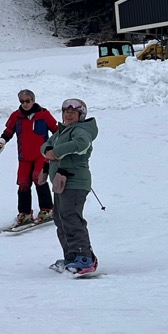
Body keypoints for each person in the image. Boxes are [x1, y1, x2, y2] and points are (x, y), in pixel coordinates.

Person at [42, 98, 99, 275]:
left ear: (81, 115)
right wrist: (48, 151)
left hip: (75, 182)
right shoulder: (63, 131)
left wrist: (56, 152)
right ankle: (71, 257)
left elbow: (82, 144)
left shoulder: (80, 130)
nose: (68, 114)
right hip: (61, 183)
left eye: (73, 112)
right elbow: (46, 144)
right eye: (66, 112)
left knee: (71, 218)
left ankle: (84, 258)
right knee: (61, 219)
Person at [0, 90, 57, 226]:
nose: (25, 104)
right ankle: (25, 213)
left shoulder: (44, 115)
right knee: (23, 182)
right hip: (24, 157)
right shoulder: (16, 116)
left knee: (38, 178)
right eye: (22, 101)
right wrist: (1, 142)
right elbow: (8, 131)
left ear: (33, 100)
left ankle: (47, 210)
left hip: (42, 155)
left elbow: (55, 130)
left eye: (28, 101)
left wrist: (61, 144)